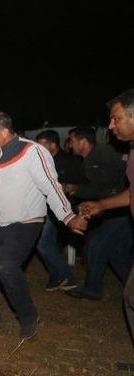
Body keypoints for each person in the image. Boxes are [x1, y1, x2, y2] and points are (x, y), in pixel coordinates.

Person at [0, 112, 87, 340]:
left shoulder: (32, 151)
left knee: (6, 267)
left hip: (25, 222)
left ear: (5, 132)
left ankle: (28, 317)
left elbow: (51, 186)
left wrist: (68, 217)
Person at [78, 89, 134, 350]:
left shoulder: (106, 154)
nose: (111, 126)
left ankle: (92, 288)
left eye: (117, 118)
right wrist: (102, 204)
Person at [64, 126, 130, 301]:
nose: (70, 145)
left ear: (82, 141)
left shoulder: (104, 152)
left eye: (72, 140)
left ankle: (92, 289)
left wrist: (110, 198)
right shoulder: (88, 160)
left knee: (96, 243)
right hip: (113, 208)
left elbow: (122, 175)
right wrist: (76, 189)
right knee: (117, 252)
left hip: (120, 208)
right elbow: (98, 188)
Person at [34, 129, 86, 291]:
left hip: (62, 209)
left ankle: (66, 276)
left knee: (43, 243)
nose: (37, 148)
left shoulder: (68, 161)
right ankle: (58, 276)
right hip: (47, 208)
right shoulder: (42, 160)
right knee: (46, 243)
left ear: (53, 145)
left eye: (41, 144)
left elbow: (75, 185)